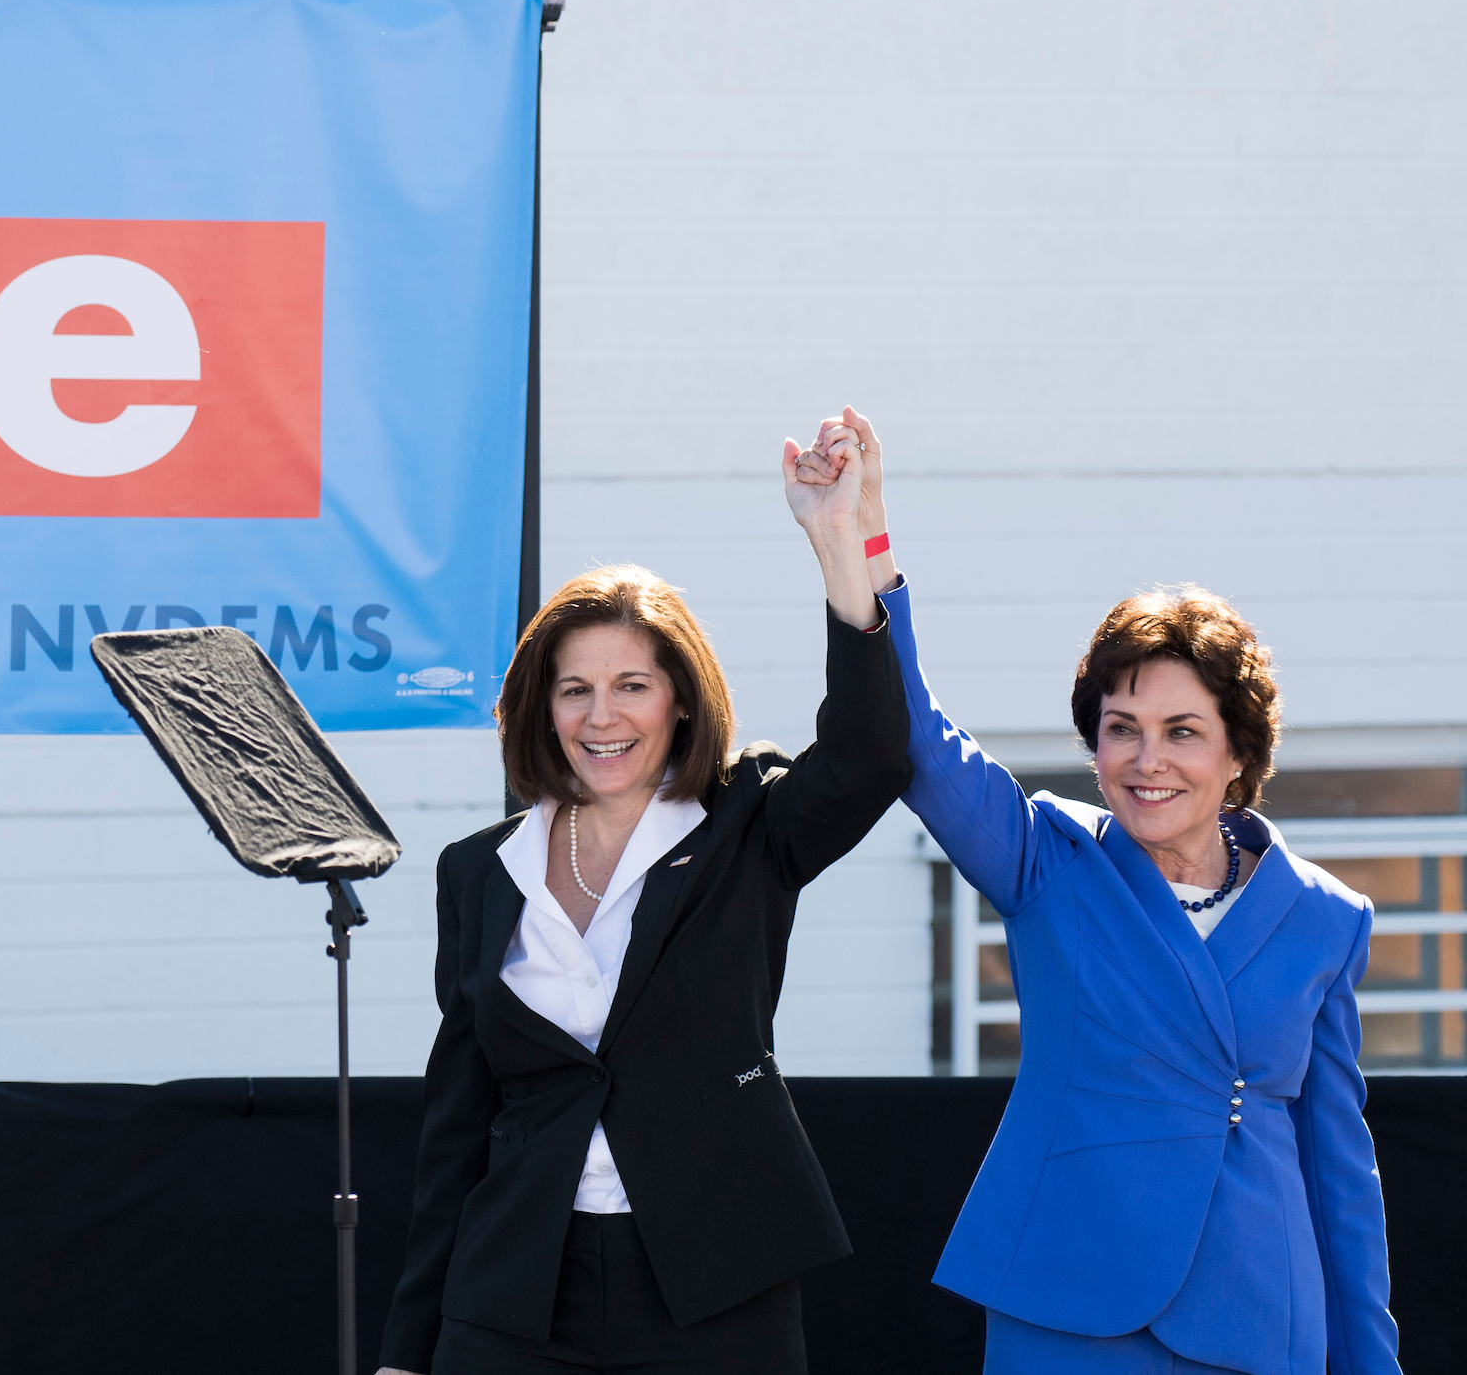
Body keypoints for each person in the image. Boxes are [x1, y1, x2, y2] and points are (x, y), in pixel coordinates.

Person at [792, 407, 1400, 1375]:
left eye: (1182, 731)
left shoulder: (1327, 915)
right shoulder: (1049, 861)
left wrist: (1371, 1361)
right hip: (1070, 1298)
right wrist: (855, 540)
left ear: (1240, 751)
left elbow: (1339, 1168)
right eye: (1121, 727)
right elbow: (919, 741)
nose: (1146, 761)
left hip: (1256, 1311)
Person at [375, 433, 912, 1375]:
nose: (601, 716)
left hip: (714, 1285)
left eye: (632, 685)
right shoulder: (476, 872)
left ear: (680, 700)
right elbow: (456, 1126)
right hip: (516, 1295)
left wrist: (842, 544)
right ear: (540, 707)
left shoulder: (749, 825)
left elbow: (873, 753)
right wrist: (406, 1351)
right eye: (574, 689)